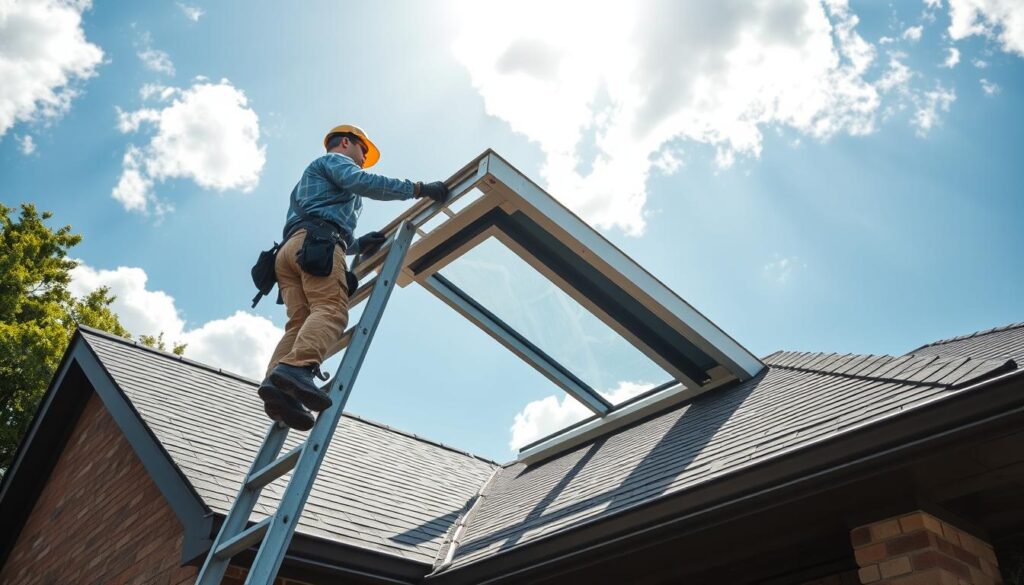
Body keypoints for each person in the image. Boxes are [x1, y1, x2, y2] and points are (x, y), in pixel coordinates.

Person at [257, 124, 448, 430]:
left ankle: (276, 386)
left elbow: (318, 215)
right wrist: (418, 189)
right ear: (346, 142)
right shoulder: (336, 162)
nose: (362, 160)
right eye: (363, 152)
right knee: (331, 310)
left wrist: (357, 245)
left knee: (300, 322)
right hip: (316, 244)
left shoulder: (310, 179)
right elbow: (361, 182)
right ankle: (298, 368)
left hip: (291, 251)